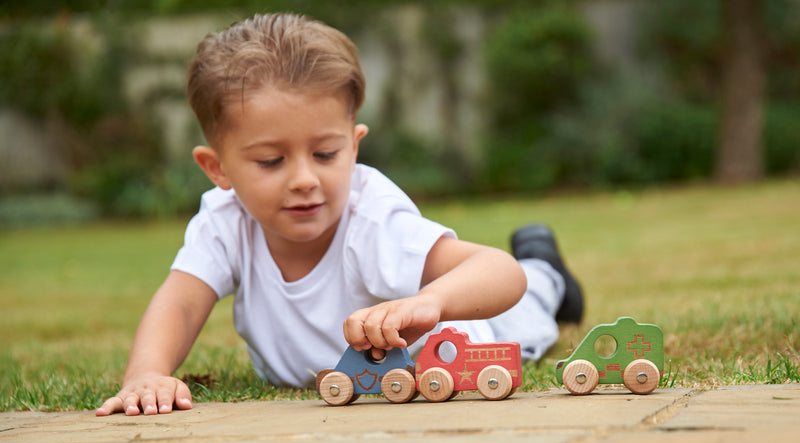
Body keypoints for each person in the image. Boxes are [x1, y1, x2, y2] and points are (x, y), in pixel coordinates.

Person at [96, 13, 582, 417]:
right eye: (271, 161)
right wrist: (146, 372)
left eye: (326, 154)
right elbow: (180, 302)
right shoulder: (224, 222)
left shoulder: (371, 219)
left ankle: (547, 267)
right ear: (217, 167)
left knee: (529, 308)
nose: (304, 178)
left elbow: (498, 272)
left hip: (465, 336)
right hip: (350, 371)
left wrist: (430, 302)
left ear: (354, 146)